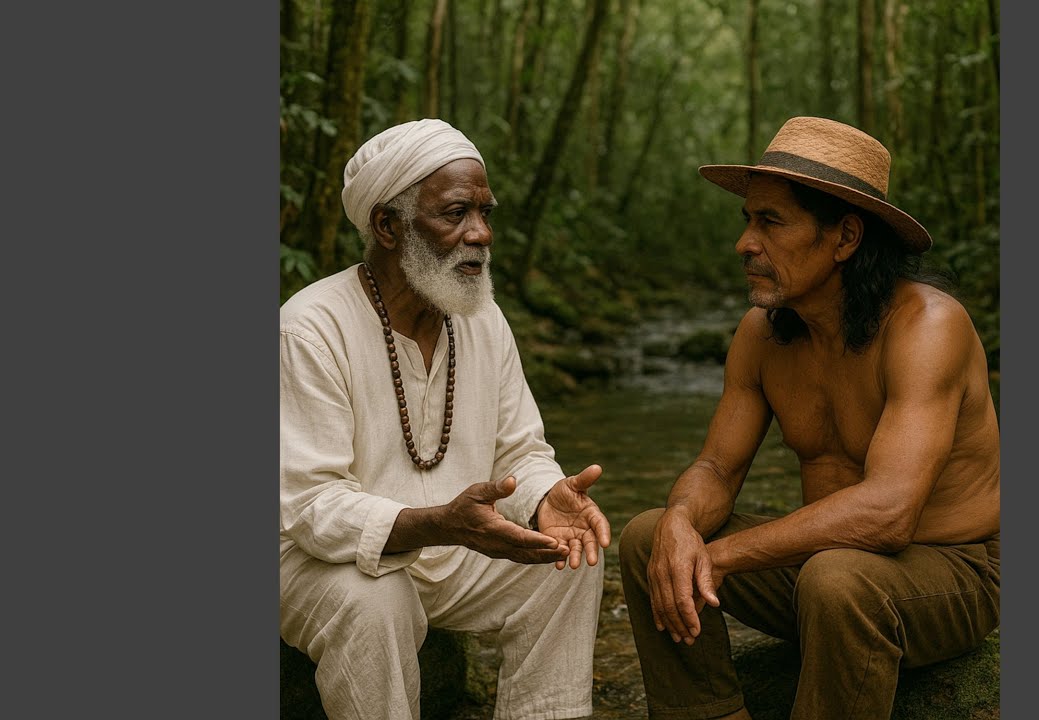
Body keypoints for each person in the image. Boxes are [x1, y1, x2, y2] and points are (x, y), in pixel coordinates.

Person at [619, 116, 1000, 720]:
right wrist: (683, 525)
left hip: (951, 573)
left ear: (845, 237)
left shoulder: (928, 326)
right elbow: (717, 466)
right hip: (822, 572)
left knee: (836, 579)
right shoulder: (762, 334)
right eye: (747, 220)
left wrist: (719, 557)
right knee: (647, 539)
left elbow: (890, 513)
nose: (745, 243)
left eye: (770, 222)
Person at [280, 118, 611, 720]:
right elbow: (311, 506)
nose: (480, 234)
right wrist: (437, 523)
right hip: (319, 560)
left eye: (485, 213)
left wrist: (543, 499)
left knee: (572, 557)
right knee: (374, 602)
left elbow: (520, 452)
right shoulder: (309, 327)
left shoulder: (482, 318)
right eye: (455, 213)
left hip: (448, 544)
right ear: (387, 225)